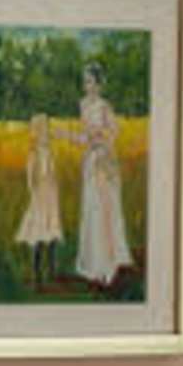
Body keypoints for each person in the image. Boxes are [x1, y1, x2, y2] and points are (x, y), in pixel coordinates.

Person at [73, 55, 131, 292]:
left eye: (91, 82)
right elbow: (85, 136)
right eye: (86, 82)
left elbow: (113, 132)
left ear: (99, 83)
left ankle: (107, 264)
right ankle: (92, 264)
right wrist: (76, 139)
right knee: (91, 209)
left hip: (104, 161)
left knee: (105, 210)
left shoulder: (105, 106)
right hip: (90, 161)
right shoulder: (83, 105)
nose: (88, 86)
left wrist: (101, 140)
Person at [16, 111, 66, 286]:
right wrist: (33, 192)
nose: (46, 132)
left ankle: (52, 270)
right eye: (43, 129)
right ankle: (37, 273)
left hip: (51, 194)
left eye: (47, 128)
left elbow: (52, 174)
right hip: (40, 196)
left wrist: (54, 188)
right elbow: (30, 176)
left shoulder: (49, 151)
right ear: (37, 132)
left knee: (51, 231)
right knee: (38, 232)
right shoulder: (34, 153)